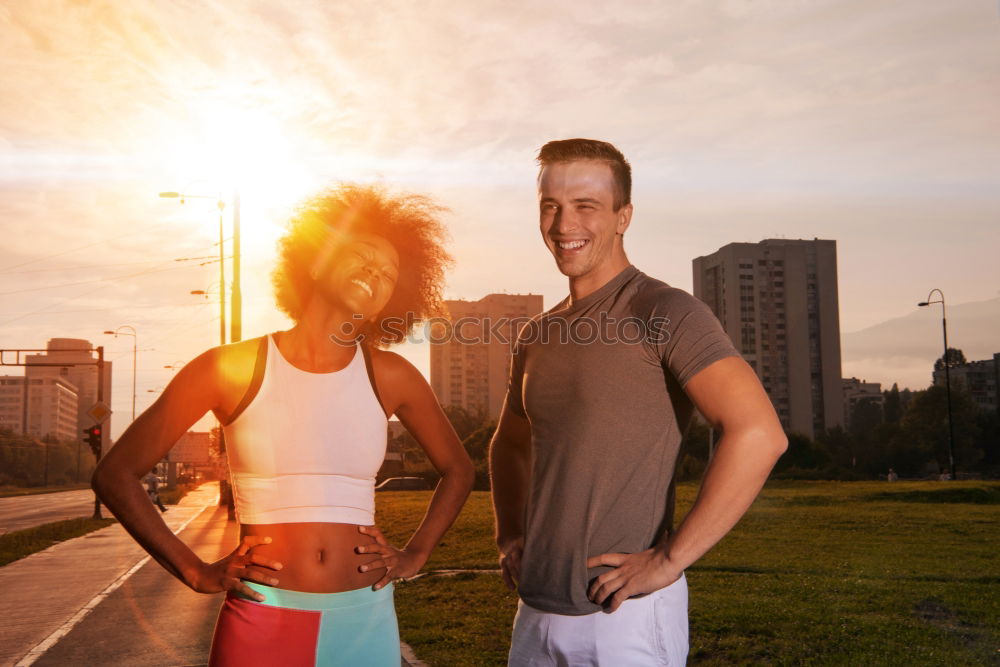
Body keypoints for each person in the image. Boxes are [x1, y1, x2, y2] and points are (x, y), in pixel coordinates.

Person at [93, 184, 474, 667]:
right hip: (261, 618)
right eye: (360, 257)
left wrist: (415, 555)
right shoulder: (227, 368)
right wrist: (194, 571)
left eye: (387, 273)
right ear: (315, 262)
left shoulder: (392, 375)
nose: (372, 275)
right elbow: (115, 474)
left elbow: (458, 470)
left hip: (364, 617)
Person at [490, 138, 788, 665]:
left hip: (625, 620)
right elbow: (508, 443)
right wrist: (509, 532)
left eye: (586, 206)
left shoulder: (665, 310)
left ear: (623, 215)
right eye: (550, 206)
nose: (564, 225)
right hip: (534, 616)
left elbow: (759, 433)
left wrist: (671, 559)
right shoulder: (536, 334)